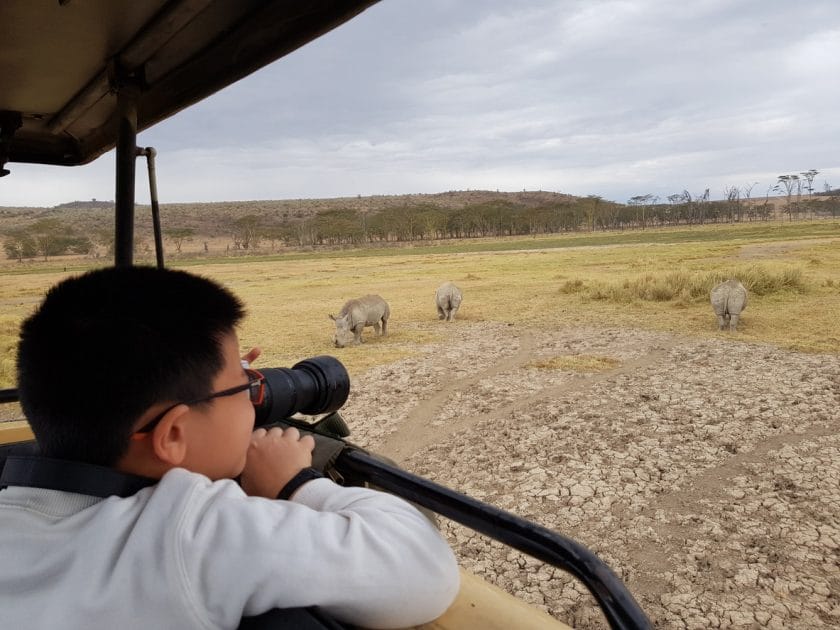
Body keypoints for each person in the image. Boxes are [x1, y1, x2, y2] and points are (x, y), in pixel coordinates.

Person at [0, 266, 460, 629]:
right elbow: (424, 567)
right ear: (174, 436)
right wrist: (297, 484)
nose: (258, 398)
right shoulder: (190, 533)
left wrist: (213, 382)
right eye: (244, 386)